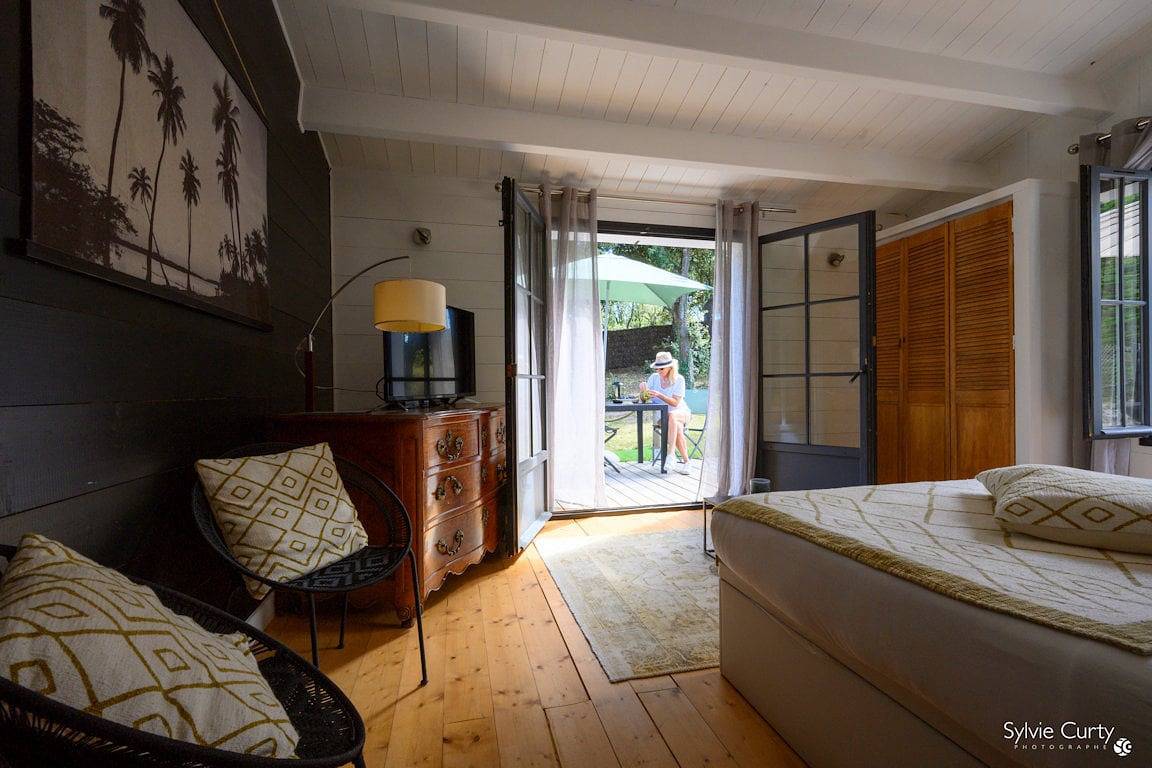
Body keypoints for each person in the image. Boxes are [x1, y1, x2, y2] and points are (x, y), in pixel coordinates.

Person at [640, 351, 691, 473]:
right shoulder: (653, 378)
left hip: (681, 413)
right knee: (676, 425)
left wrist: (659, 395)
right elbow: (644, 400)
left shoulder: (679, 379)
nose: (658, 371)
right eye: (657, 368)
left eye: (661, 369)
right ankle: (686, 462)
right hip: (663, 418)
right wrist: (643, 392)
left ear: (670, 367)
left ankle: (671, 454)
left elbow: (675, 403)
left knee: (673, 415)